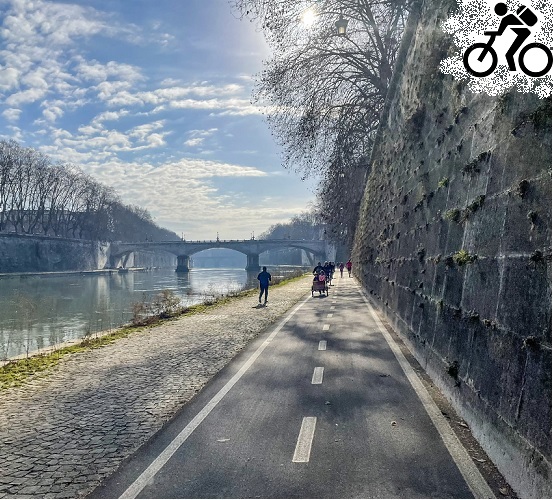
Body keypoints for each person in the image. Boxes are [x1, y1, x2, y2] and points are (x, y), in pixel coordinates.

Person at [486, 2, 535, 71]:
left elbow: (499, 33)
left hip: (523, 35)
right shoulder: (510, 16)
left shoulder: (506, 19)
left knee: (509, 55)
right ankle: (513, 70)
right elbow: (500, 32)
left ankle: (513, 71)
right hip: (524, 33)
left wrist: (487, 32)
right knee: (510, 54)